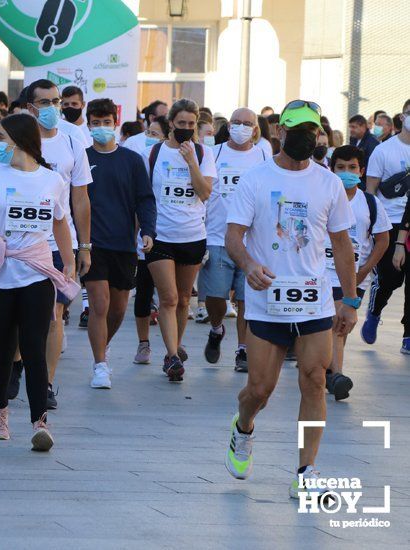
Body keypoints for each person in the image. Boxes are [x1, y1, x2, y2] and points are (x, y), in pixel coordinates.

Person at [224, 100, 359, 498]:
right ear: (280, 133)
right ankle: (243, 427)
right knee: (260, 391)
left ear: (319, 135)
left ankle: (306, 471)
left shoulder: (329, 182)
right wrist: (248, 264)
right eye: (296, 130)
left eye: (311, 131)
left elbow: (342, 243)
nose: (304, 138)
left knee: (315, 380)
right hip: (268, 299)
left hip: (314, 299)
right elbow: (234, 235)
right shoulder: (256, 179)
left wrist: (349, 301)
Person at [0, 112, 77, 451]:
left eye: (2, 139)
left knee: (35, 346)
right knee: (4, 347)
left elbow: (60, 222)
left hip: (37, 271)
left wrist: (69, 260)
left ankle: (40, 421)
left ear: (21, 141)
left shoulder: (52, 180)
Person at [13, 79, 91, 405]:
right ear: (31, 108)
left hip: (60, 242)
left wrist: (84, 245)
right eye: (44, 103)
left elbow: (82, 198)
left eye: (56, 101)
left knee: (54, 313)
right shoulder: (19, 141)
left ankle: (45, 383)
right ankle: (16, 364)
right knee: (21, 313)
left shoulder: (73, 142)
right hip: (23, 241)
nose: (52, 108)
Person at [82, 99, 156, 388]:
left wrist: (147, 230)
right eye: (95, 122)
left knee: (117, 310)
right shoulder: (82, 158)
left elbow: (145, 199)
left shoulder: (132, 160)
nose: (101, 127)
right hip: (92, 244)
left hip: (124, 245)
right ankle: (100, 365)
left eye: (106, 121)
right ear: (88, 124)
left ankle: (102, 346)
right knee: (99, 305)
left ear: (116, 122)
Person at [142, 98, 216, 381]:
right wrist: (142, 231)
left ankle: (173, 347)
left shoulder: (202, 153)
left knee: (184, 299)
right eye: (181, 123)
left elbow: (204, 192)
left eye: (191, 124)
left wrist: (191, 162)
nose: (186, 128)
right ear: (170, 123)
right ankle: (173, 356)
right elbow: (145, 196)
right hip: (160, 234)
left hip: (192, 235)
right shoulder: (153, 153)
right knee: (169, 297)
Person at [200, 108, 267, 372]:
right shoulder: (213, 153)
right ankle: (217, 329)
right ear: (228, 125)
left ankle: (243, 350)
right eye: (236, 123)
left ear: (255, 129)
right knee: (215, 297)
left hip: (253, 241)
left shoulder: (263, 156)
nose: (241, 127)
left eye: (247, 123)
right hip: (219, 236)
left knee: (246, 300)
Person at [322, 146, 388, 400]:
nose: (346, 172)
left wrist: (363, 271)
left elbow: (382, 240)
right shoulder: (324, 197)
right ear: (332, 169)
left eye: (352, 168)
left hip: (354, 276)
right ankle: (335, 373)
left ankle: (331, 372)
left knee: (341, 324)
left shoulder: (370, 203)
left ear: (361, 171)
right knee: (334, 322)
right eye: (340, 167)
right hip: (322, 273)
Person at [360, 99, 410, 351]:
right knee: (390, 278)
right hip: (389, 221)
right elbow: (371, 190)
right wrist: (371, 226)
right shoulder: (384, 150)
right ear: (402, 117)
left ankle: (408, 335)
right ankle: (375, 312)